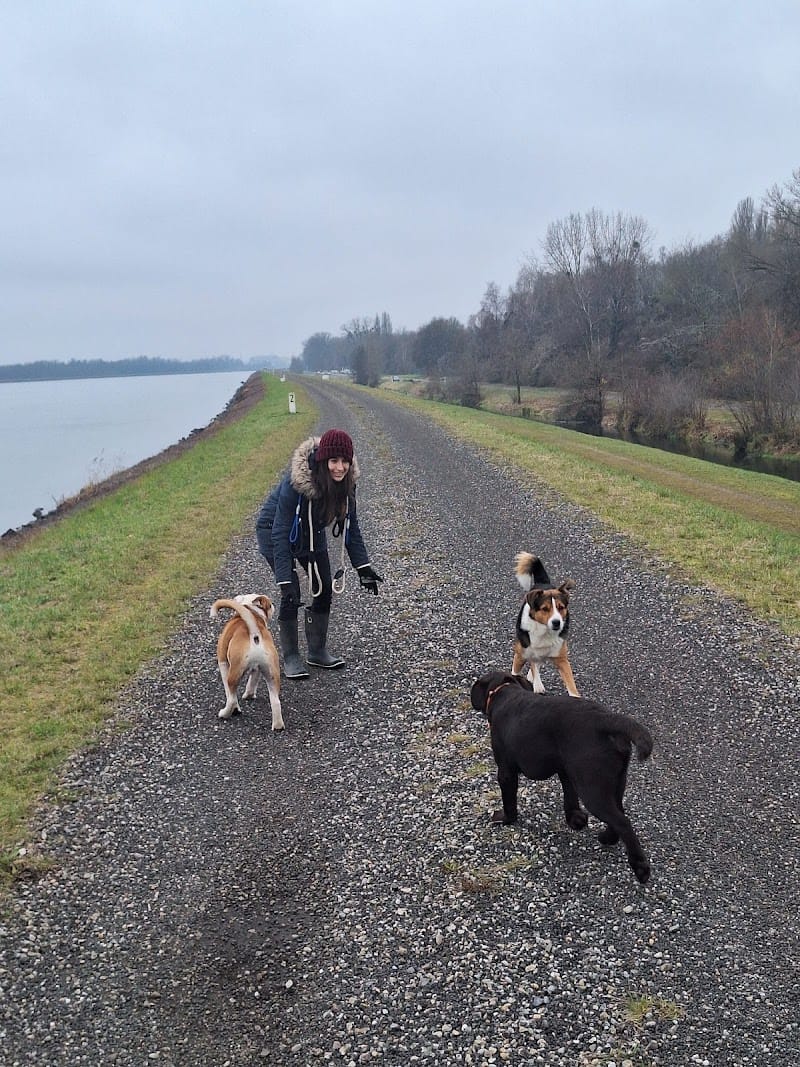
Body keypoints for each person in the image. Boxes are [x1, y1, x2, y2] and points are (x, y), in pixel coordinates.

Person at [256, 428, 383, 679]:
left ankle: (316, 651)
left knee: (324, 585)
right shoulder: (297, 483)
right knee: (291, 592)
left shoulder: (347, 483)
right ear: (323, 461)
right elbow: (280, 530)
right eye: (334, 461)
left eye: (345, 461)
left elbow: (351, 528)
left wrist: (363, 568)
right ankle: (291, 656)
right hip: (275, 530)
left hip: (311, 531)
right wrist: (284, 578)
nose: (339, 467)